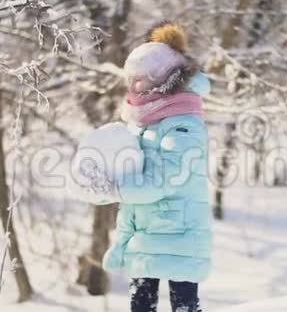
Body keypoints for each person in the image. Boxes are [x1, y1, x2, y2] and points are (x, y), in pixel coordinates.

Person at [84, 21, 212, 312]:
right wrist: (100, 185)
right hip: (143, 230)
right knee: (141, 306)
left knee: (184, 306)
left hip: (177, 231)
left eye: (140, 81)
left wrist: (118, 188)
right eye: (131, 80)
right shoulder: (145, 124)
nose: (134, 88)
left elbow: (165, 178)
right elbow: (129, 172)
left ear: (163, 80)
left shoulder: (183, 124)